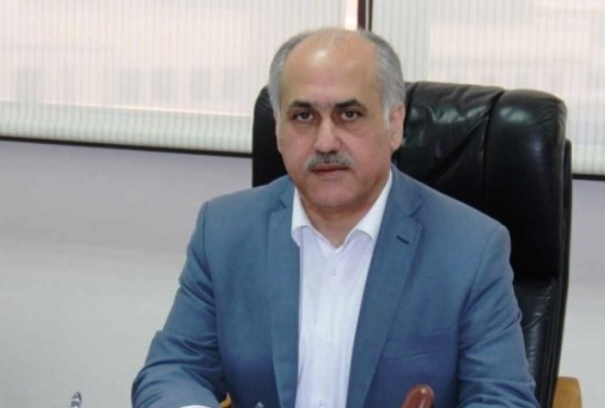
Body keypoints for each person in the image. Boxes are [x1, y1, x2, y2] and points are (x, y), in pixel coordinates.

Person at [132, 27, 539, 408]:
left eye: (349, 115)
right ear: (278, 130)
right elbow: (174, 370)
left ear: (394, 124)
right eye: (303, 116)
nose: (325, 142)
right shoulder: (224, 231)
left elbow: (503, 399)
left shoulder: (471, 249)